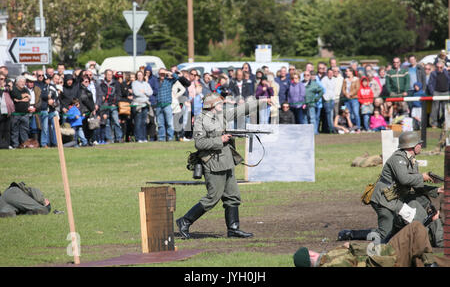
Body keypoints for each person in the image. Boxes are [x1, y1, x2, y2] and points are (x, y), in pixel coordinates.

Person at [176, 93, 265, 239]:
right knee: (213, 197)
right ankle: (185, 221)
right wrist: (220, 139)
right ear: (211, 105)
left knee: (233, 196)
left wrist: (262, 102)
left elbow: (240, 110)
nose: (222, 105)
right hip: (213, 164)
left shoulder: (221, 115)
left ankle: (233, 229)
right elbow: (199, 143)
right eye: (219, 103)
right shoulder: (200, 120)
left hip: (227, 161)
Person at [369, 131, 441, 242]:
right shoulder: (398, 159)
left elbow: (416, 185)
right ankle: (354, 244)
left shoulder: (412, 160)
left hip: (394, 199)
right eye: (419, 144)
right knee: (384, 234)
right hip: (383, 200)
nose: (421, 146)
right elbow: (404, 179)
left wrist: (437, 189)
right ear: (412, 146)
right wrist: (422, 177)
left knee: (393, 231)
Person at [294, 221, 450, 267]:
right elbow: (350, 261)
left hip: (384, 256)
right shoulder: (329, 264)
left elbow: (350, 250)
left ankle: (430, 263)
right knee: (415, 228)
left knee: (421, 259)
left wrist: (349, 247)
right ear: (311, 254)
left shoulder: (328, 258)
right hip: (385, 258)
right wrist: (352, 249)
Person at [99, 69, 123, 144]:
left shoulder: (116, 84)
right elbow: (100, 94)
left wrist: (115, 103)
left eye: (110, 75)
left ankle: (119, 137)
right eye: (108, 75)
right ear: (105, 75)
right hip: (105, 106)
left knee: (116, 122)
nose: (109, 76)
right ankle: (109, 138)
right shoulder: (102, 84)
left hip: (113, 105)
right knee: (107, 123)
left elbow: (119, 94)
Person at [156, 68, 179, 141]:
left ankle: (170, 137)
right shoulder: (156, 81)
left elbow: (177, 77)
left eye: (163, 74)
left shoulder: (169, 81)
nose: (162, 75)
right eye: (160, 74)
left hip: (167, 104)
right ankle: (161, 138)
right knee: (160, 124)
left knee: (169, 123)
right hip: (158, 105)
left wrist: (169, 72)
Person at [10, 76, 31, 148]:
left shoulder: (26, 89)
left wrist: (19, 99)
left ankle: (24, 145)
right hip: (16, 113)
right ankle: (15, 145)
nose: (23, 83)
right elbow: (16, 96)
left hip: (25, 114)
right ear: (17, 83)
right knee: (14, 130)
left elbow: (28, 98)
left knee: (24, 130)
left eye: (24, 82)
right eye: (21, 82)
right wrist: (22, 98)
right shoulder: (14, 89)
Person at [132, 71, 153, 143]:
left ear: (143, 76)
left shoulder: (146, 83)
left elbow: (151, 92)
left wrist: (144, 92)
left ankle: (144, 137)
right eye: (138, 75)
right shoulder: (134, 83)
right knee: (138, 122)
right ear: (136, 76)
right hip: (138, 105)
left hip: (145, 105)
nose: (139, 76)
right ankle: (138, 138)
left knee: (144, 122)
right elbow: (136, 93)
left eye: (141, 75)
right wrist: (145, 93)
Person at [427, 61, 449, 129]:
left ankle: (443, 122)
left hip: (446, 92)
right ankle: (434, 123)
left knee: (445, 109)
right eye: (438, 67)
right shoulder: (433, 73)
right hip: (436, 92)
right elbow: (430, 84)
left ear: (443, 67)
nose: (439, 69)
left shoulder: (447, 73)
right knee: (435, 109)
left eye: (441, 67)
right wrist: (432, 92)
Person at [40, 74, 59, 148]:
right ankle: (44, 143)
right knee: (45, 128)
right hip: (44, 109)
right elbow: (41, 95)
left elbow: (56, 96)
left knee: (55, 127)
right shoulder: (41, 86)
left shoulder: (52, 87)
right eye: (46, 79)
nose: (48, 80)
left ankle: (56, 142)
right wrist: (47, 99)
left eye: (49, 79)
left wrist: (53, 102)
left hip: (52, 110)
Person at [0, 73, 14, 149]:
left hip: (7, 112)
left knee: (7, 130)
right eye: (1, 79)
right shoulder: (3, 89)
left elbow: (13, 93)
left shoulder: (7, 89)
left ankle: (7, 145)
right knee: (1, 129)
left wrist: (10, 87)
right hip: (0, 112)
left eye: (3, 79)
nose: (2, 81)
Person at [320, 68, 336, 133]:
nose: (330, 74)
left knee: (331, 115)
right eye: (329, 73)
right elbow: (323, 90)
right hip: (327, 100)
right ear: (327, 73)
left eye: (331, 73)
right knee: (328, 115)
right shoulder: (324, 80)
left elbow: (333, 90)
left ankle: (331, 128)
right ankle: (331, 129)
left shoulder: (334, 80)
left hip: (332, 99)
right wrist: (326, 98)